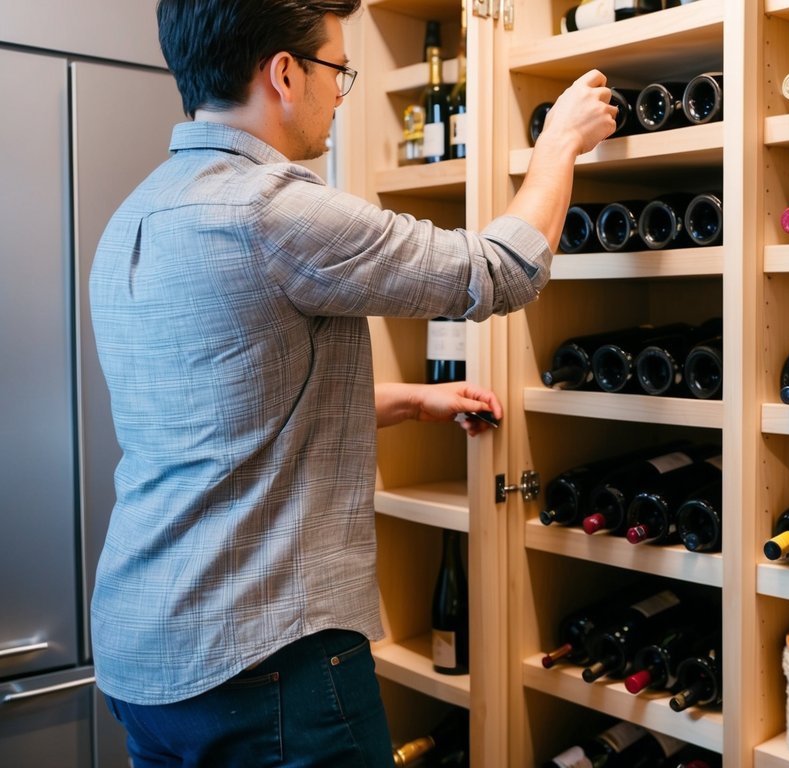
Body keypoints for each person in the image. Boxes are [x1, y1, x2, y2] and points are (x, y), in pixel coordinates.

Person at [87, 0, 616, 764]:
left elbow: (225, 410)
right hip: (265, 659)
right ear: (284, 74)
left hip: (146, 654)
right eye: (338, 69)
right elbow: (500, 269)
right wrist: (559, 140)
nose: (343, 92)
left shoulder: (138, 214)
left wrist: (412, 400)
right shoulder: (269, 210)